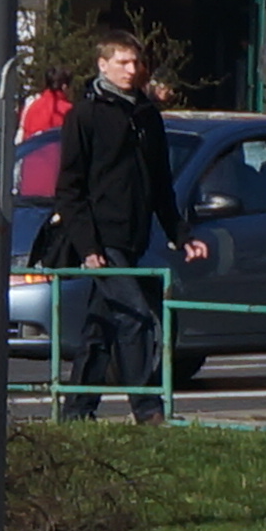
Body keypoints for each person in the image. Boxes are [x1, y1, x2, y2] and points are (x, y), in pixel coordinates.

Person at [47, 31, 195, 423]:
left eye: (136, 63)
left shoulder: (146, 115)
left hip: (134, 236)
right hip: (101, 238)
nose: (131, 70)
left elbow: (161, 184)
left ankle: (77, 411)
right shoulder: (86, 115)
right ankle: (148, 410)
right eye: (123, 62)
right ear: (103, 65)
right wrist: (88, 246)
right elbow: (69, 188)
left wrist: (180, 234)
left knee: (104, 325)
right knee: (136, 317)